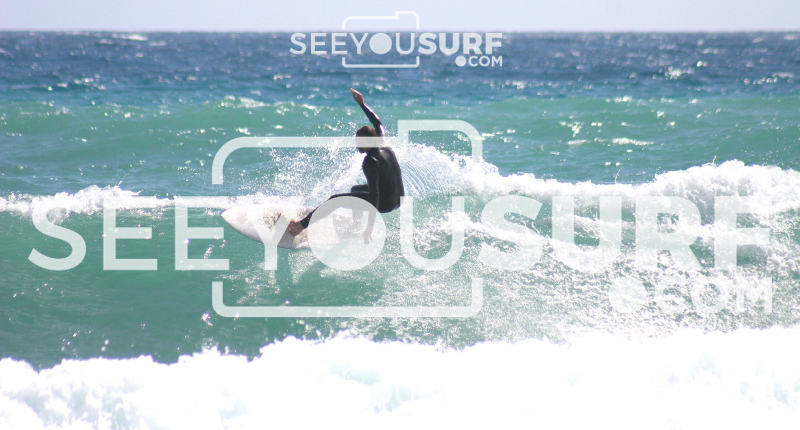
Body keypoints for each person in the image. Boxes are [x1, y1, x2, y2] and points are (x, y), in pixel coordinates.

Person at [287, 88, 404, 243]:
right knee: (355, 190)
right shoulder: (382, 141)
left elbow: (374, 195)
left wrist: (370, 226)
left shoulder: (370, 161)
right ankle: (356, 226)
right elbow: (377, 122)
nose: (357, 146)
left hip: (385, 202)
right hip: (398, 198)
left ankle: (298, 227)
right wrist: (362, 104)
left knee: (334, 200)